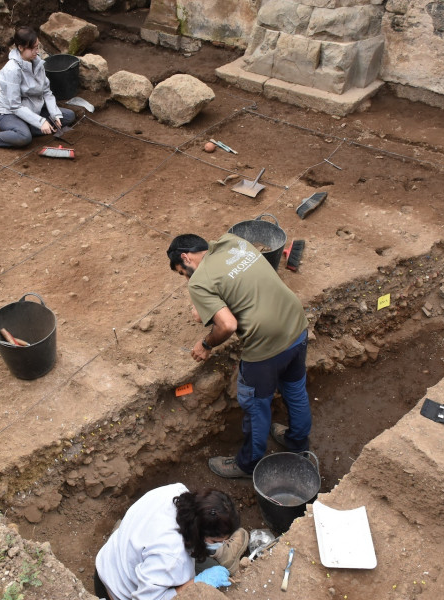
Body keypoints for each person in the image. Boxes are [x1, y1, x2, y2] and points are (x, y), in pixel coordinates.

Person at [167, 233, 311, 479]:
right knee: (295, 390)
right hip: (296, 324)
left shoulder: (199, 281)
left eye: (183, 272)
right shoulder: (234, 242)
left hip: (265, 344)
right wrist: (205, 307)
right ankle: (297, 442)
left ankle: (248, 465)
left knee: (255, 406)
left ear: (185, 257)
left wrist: (206, 344)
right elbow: (236, 284)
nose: (187, 278)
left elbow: (228, 325)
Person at [94, 483, 249, 600]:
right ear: (199, 534)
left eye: (224, 540)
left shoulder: (177, 492)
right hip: (120, 592)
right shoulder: (172, 557)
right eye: (216, 541)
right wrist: (197, 583)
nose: (220, 542)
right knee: (207, 589)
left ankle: (221, 554)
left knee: (208, 567)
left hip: (115, 557)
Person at [0, 26, 76, 150]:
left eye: (37, 47)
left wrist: (54, 113)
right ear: (20, 48)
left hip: (33, 110)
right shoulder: (12, 70)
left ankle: (26, 126)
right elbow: (15, 106)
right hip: (9, 113)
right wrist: (40, 122)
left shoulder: (37, 63)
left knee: (68, 116)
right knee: (24, 137)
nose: (36, 51)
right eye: (32, 48)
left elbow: (46, 91)